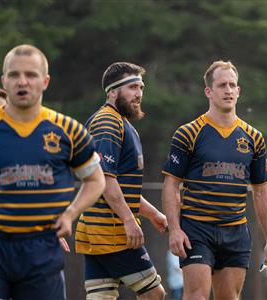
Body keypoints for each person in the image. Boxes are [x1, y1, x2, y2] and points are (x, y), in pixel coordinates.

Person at [162, 60, 267, 300]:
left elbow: (261, 191)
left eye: (232, 85)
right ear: (209, 91)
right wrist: (174, 229)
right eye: (222, 85)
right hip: (196, 228)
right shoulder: (188, 133)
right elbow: (171, 184)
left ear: (239, 91)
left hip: (235, 231)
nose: (228, 90)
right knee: (196, 296)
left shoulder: (254, 138)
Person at [0, 44, 105, 300]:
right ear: (4, 80)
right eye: (14, 75)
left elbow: (95, 180)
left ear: (45, 81)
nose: (22, 81)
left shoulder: (68, 130)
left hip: (43, 249)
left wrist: (71, 213)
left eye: (31, 75)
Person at [75, 62, 168, 300]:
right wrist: (129, 220)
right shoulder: (107, 122)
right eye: (132, 87)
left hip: (96, 233)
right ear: (113, 92)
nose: (139, 94)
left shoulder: (119, 122)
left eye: (141, 87)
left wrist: (153, 214)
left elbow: (124, 188)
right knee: (154, 295)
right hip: (112, 233)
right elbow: (104, 179)